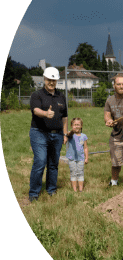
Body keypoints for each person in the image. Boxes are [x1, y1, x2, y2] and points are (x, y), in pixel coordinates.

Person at [29, 67, 68, 202]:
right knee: (40, 161)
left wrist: (64, 134)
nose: (51, 82)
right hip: (39, 133)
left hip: (57, 135)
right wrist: (46, 113)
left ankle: (51, 190)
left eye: (54, 80)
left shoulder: (61, 96)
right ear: (44, 79)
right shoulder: (37, 95)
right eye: (49, 80)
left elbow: (65, 117)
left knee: (53, 164)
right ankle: (34, 193)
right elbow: (35, 110)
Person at [66, 118, 88, 192]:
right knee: (73, 173)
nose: (76, 126)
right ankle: (75, 190)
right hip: (71, 158)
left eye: (78, 125)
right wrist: (72, 131)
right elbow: (68, 134)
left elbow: (85, 147)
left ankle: (81, 189)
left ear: (81, 126)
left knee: (80, 172)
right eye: (75, 125)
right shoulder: (70, 134)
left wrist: (86, 158)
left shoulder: (83, 136)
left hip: (81, 158)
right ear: (72, 126)